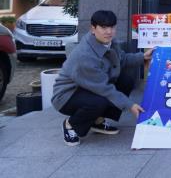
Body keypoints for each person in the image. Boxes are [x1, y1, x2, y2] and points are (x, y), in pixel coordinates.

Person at [52, 10, 153, 146]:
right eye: (104, 27)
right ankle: (71, 124)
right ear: (93, 29)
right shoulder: (85, 55)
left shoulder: (108, 42)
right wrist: (130, 105)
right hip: (67, 96)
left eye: (112, 27)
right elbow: (104, 89)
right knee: (99, 101)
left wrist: (142, 57)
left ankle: (97, 121)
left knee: (125, 81)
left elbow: (121, 59)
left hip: (88, 87)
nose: (109, 32)